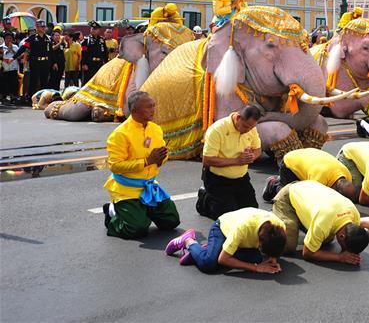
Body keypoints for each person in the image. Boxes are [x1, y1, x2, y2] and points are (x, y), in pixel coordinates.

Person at [102, 92, 180, 238]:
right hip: (127, 189)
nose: (153, 110)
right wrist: (146, 162)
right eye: (149, 107)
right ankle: (112, 214)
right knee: (136, 229)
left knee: (171, 221)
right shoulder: (120, 134)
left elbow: (161, 156)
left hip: (150, 186)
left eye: (154, 106)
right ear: (134, 111)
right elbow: (115, 166)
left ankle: (143, 211)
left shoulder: (155, 129)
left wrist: (161, 158)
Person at [271, 181, 369, 265]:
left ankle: (299, 216)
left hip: (310, 190)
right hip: (288, 196)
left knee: (325, 240)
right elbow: (307, 253)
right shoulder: (323, 223)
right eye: (345, 248)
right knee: (288, 246)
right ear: (342, 237)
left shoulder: (354, 215)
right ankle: (274, 193)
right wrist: (340, 257)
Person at [166, 207, 286, 273]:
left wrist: (273, 259)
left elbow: (275, 247)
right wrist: (256, 268)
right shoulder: (243, 228)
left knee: (257, 258)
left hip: (241, 240)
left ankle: (206, 250)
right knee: (208, 264)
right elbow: (223, 259)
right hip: (222, 228)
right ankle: (189, 241)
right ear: (259, 242)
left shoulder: (280, 227)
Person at [196, 105, 263, 219]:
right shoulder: (217, 129)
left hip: (241, 178)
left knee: (252, 214)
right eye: (245, 127)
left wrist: (251, 157)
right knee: (226, 217)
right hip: (218, 179)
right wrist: (237, 161)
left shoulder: (251, 128)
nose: (248, 131)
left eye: (251, 128)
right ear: (237, 118)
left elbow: (258, 150)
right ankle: (205, 199)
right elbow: (207, 160)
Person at [262, 147, 356, 203]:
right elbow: (311, 200)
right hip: (290, 163)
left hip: (308, 159)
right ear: (335, 190)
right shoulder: (319, 180)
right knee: (291, 197)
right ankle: (274, 185)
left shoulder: (347, 175)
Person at [14, 19, 52, 96]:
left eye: (44, 26)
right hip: (35, 62)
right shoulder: (32, 38)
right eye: (41, 26)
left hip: (45, 63)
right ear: (37, 28)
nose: (43, 28)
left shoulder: (48, 38)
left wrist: (53, 62)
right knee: (33, 81)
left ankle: (43, 98)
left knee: (44, 81)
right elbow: (23, 48)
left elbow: (51, 52)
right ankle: (31, 98)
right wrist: (14, 57)